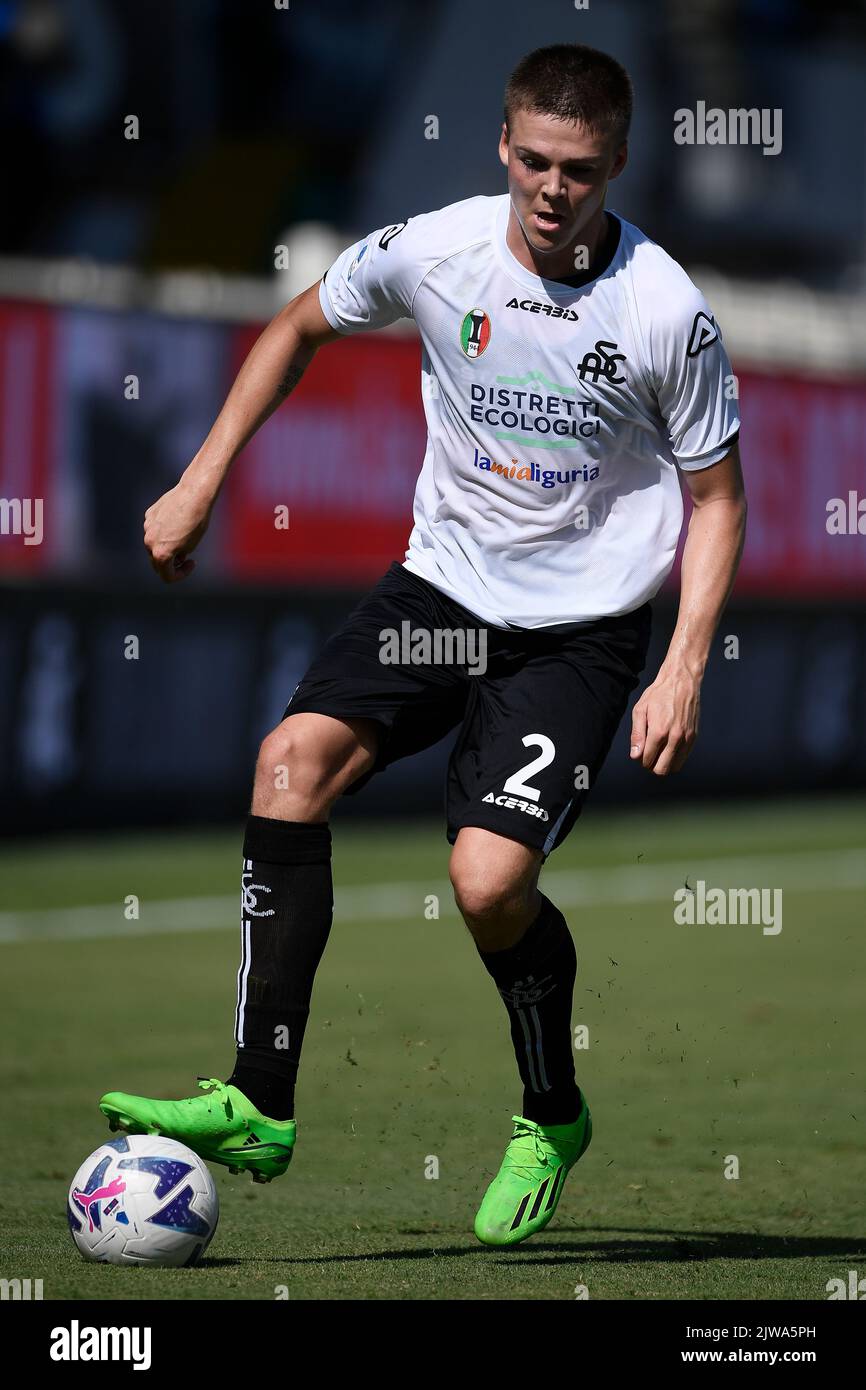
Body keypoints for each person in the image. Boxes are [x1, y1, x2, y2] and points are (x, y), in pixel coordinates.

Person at [100, 43, 746, 1248]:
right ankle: (258, 1094)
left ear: (617, 166)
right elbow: (299, 323)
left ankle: (548, 1111)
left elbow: (716, 500)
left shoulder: (665, 312)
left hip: (581, 631)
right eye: (536, 163)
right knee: (288, 765)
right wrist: (198, 483)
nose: (555, 191)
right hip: (441, 592)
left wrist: (682, 665)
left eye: (583, 171)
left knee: (487, 883)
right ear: (505, 149)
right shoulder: (435, 250)